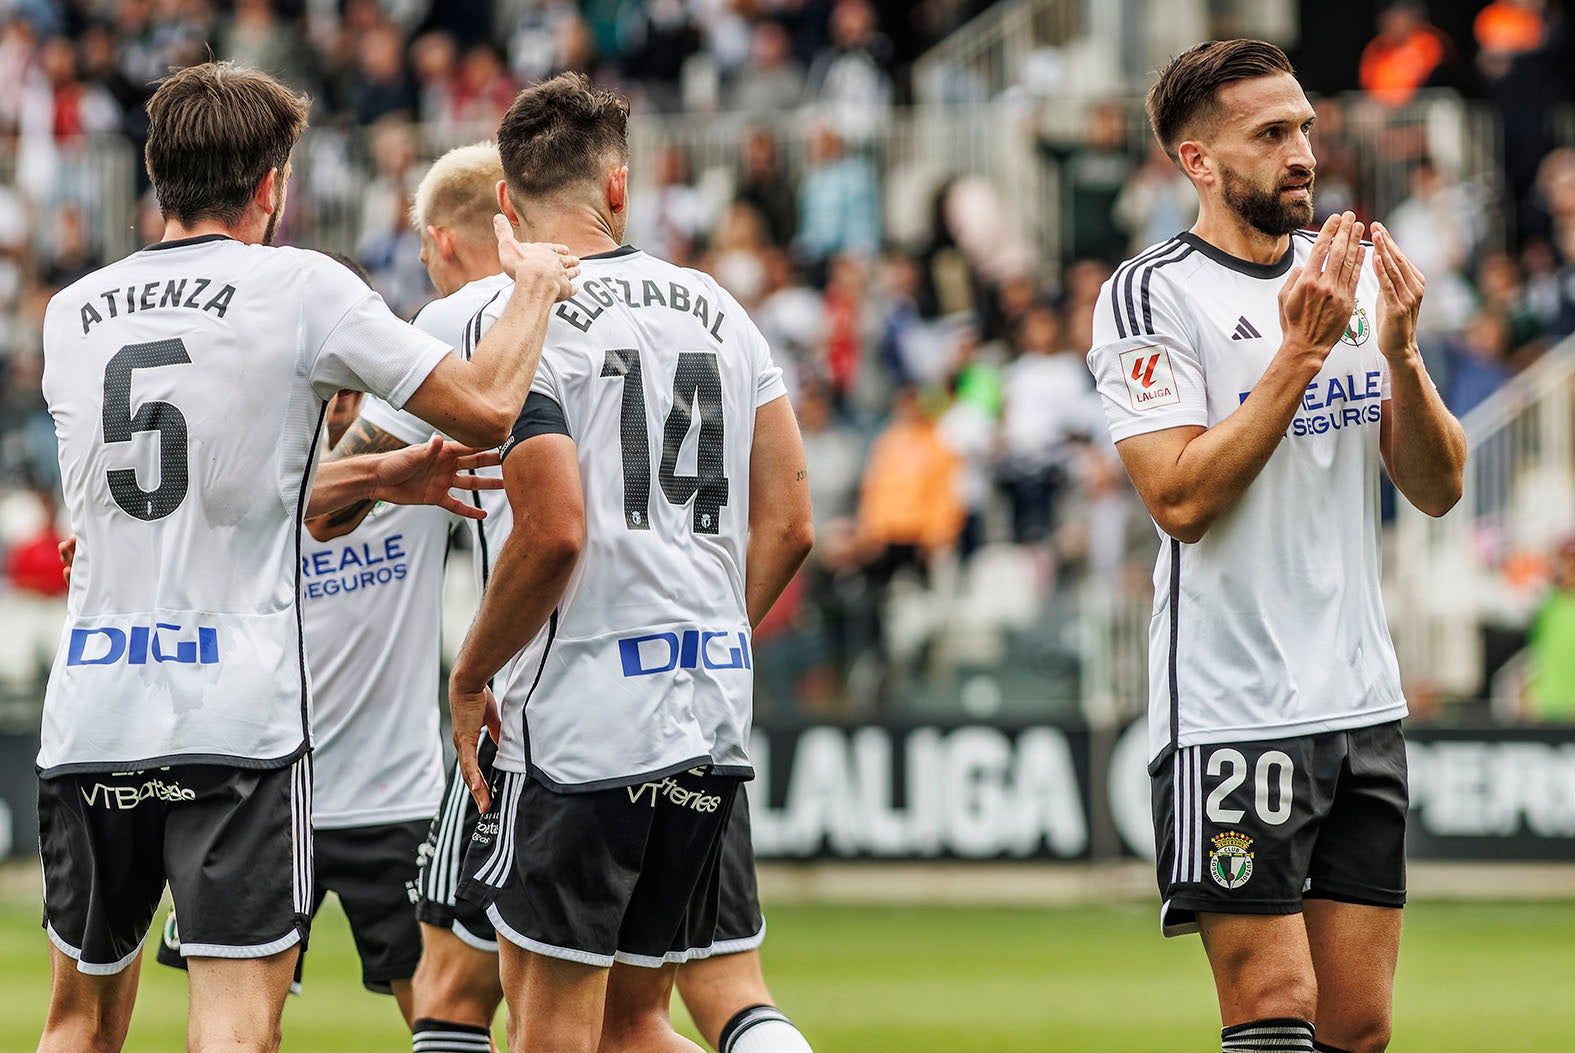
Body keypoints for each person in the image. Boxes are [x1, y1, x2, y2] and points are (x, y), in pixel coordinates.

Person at [34, 60, 576, 1053]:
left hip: (95, 708)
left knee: (76, 1024)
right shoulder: (300, 286)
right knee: (236, 1027)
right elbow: (490, 407)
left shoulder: (71, 313)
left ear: (157, 172)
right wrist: (532, 286)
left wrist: (369, 480)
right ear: (271, 188)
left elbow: (198, 488)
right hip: (234, 718)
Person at [1085, 40, 1465, 1053]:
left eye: (1303, 127)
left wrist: (1400, 354)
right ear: (1199, 163)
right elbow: (1178, 498)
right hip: (1234, 704)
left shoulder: (1346, 279)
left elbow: (1437, 486)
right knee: (1272, 1009)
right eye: (1270, 134)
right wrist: (1299, 353)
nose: (1302, 152)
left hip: (1361, 700)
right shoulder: (1153, 294)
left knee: (1360, 1025)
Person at [447, 72, 815, 1053]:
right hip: (708, 707)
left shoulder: (520, 316)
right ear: (618, 189)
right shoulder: (721, 308)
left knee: (551, 1026)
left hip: (580, 724)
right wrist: (710, 633)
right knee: (639, 1021)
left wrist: (472, 670)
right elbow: (792, 522)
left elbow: (553, 530)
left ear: (504, 205)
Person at [148, 255, 459, 1027]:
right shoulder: (239, 478)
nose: (342, 404)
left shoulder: (418, 462)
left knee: (445, 1018)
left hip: (394, 795)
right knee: (236, 1021)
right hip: (263, 783)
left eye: (356, 385)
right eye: (331, 385)